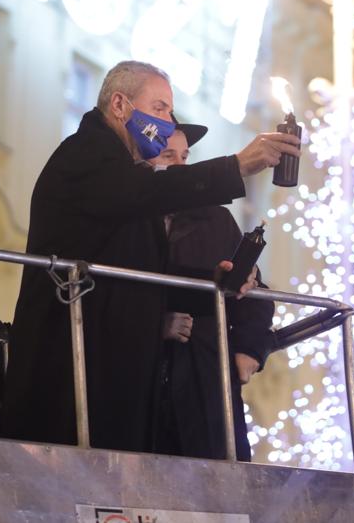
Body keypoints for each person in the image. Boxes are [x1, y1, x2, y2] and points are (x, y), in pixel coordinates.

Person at [1, 60, 300, 452]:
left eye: (170, 111)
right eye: (159, 108)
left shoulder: (127, 183)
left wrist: (213, 285)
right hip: (68, 379)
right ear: (120, 105)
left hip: (111, 379)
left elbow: (140, 276)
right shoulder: (86, 154)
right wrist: (237, 166)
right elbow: (144, 194)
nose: (166, 121)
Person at [148, 123, 274, 461]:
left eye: (185, 157)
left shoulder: (215, 220)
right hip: (144, 384)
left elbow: (254, 292)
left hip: (205, 382)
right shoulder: (133, 221)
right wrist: (156, 322)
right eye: (168, 156)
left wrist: (250, 348)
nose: (180, 166)